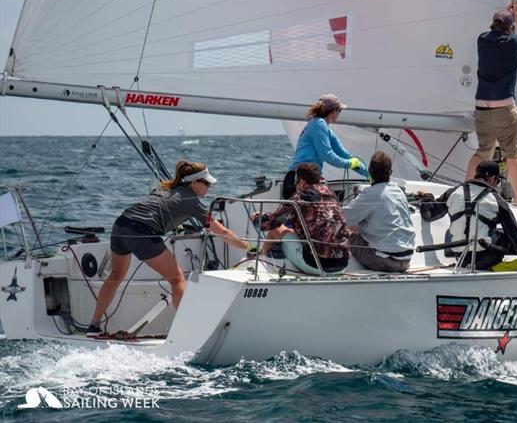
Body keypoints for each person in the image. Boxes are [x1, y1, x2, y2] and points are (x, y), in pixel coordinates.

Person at [88, 161, 251, 336]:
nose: (209, 187)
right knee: (177, 278)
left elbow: (159, 209)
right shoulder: (193, 202)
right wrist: (249, 247)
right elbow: (222, 232)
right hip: (142, 232)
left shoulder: (163, 188)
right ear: (194, 183)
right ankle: (188, 330)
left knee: (116, 276)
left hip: (121, 226)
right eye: (206, 183)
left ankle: (94, 326)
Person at [466, 1, 517, 211]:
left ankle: (466, 188)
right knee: (512, 154)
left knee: (483, 150)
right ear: (509, 27)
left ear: (492, 25)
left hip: (482, 109)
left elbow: (497, 29)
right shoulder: (513, 43)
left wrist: (506, 14)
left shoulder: (482, 40)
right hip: (504, 108)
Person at [423, 161, 517, 278]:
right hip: (488, 258)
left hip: (461, 258)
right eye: (497, 181)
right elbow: (514, 234)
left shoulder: (452, 193)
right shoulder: (496, 200)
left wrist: (427, 198)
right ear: (492, 179)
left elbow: (429, 214)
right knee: (506, 236)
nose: (496, 185)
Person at [254, 162, 350, 275]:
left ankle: (260, 258)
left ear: (302, 182)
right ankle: (262, 255)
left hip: (316, 264)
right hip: (342, 263)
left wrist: (256, 218)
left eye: (297, 182)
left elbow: (270, 223)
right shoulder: (332, 195)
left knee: (276, 229)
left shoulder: (301, 197)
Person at [283, 94, 368, 199]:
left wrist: (367, 173)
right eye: (340, 110)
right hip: (299, 181)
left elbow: (344, 154)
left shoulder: (324, 128)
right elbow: (328, 155)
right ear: (333, 110)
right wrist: (348, 164)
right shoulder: (319, 124)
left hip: (306, 180)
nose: (340, 113)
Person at [343, 152, 415, 272]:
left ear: (370, 171)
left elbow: (343, 218)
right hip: (406, 259)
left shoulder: (370, 194)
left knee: (345, 234)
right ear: (390, 172)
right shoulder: (398, 191)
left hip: (384, 260)